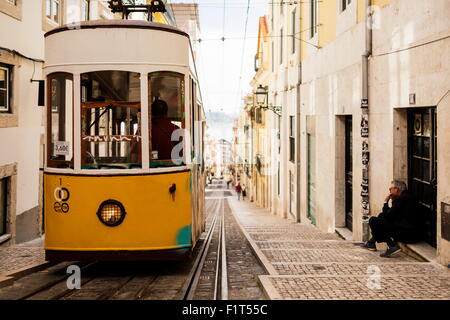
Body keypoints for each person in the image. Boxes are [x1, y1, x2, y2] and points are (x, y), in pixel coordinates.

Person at [361, 180, 423, 257]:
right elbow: (390, 215)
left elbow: (388, 215)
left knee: (373, 220)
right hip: (412, 232)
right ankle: (371, 242)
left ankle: (391, 245)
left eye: (390, 189)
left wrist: (386, 202)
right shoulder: (407, 196)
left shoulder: (401, 199)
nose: (389, 191)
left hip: (408, 234)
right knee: (380, 216)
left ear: (396, 189)